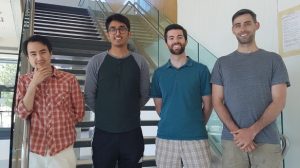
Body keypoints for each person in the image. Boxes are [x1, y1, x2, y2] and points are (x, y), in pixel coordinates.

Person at [211, 9, 290, 168]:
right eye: (238, 25)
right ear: (233, 30)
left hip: (267, 142)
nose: (243, 29)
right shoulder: (222, 63)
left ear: (256, 25)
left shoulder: (273, 60)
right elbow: (217, 101)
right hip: (233, 142)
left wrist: (251, 132)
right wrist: (238, 134)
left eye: (247, 24)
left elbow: (279, 101)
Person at [84, 13, 150, 168]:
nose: (117, 33)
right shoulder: (96, 61)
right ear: (108, 34)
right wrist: (106, 111)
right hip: (103, 133)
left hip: (132, 133)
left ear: (129, 33)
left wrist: (128, 108)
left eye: (122, 28)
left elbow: (144, 94)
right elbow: (89, 95)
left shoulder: (140, 62)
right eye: (113, 29)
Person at [15, 35, 85, 168]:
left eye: (43, 52)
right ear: (28, 58)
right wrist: (34, 83)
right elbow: (22, 113)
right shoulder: (23, 81)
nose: (39, 58)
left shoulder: (69, 79)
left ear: (50, 53)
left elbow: (79, 112)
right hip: (35, 151)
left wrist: (61, 125)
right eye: (33, 54)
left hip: (63, 149)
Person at [150, 24, 212, 168]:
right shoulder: (159, 73)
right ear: (166, 43)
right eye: (171, 38)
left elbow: (208, 105)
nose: (175, 41)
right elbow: (159, 107)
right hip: (166, 137)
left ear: (185, 40)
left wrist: (196, 123)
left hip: (196, 138)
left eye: (179, 37)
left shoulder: (201, 70)